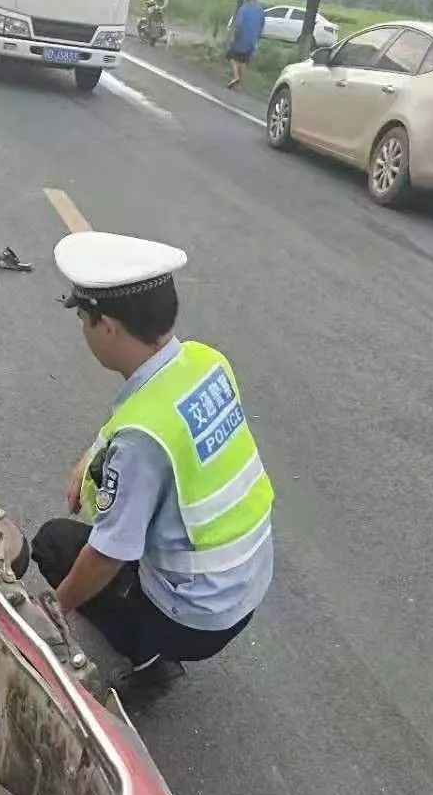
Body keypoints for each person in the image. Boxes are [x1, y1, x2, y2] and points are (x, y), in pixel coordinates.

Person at [33, 232, 274, 679]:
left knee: (53, 545)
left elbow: (108, 553)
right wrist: (95, 450)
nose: (83, 331)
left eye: (84, 318)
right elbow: (151, 411)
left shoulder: (140, 442)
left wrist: (53, 609)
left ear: (107, 326)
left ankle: (152, 657)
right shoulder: (206, 360)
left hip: (194, 618)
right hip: (246, 586)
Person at [226, 0, 266, 88]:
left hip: (241, 38)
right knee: (243, 61)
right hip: (252, 41)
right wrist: (256, 40)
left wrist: (234, 37)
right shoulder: (261, 10)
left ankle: (236, 76)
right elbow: (262, 26)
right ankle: (240, 84)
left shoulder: (244, 8)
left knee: (231, 56)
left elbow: (238, 25)